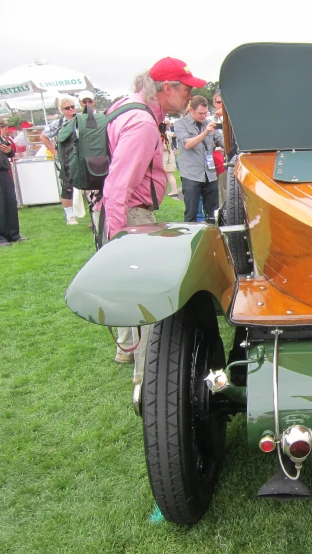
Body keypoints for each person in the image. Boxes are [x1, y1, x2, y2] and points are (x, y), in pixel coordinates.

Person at [101, 57, 205, 373]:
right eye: (187, 89)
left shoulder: (126, 106)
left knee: (127, 287)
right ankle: (146, 378)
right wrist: (118, 240)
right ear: (168, 87)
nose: (190, 96)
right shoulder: (144, 122)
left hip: (121, 211)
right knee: (147, 301)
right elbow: (118, 186)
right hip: (130, 214)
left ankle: (125, 350)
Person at [175, 95, 223, 223]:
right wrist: (205, 133)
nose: (203, 116)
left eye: (205, 113)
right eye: (200, 113)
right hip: (191, 175)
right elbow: (187, 144)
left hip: (210, 174)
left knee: (214, 213)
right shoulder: (180, 124)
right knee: (191, 213)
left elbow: (221, 140)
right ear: (191, 110)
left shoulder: (208, 123)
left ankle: (213, 239)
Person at [39, 95, 78, 225]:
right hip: (67, 158)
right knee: (68, 187)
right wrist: (54, 151)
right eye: (67, 108)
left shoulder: (81, 120)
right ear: (62, 110)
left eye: (72, 106)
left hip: (81, 157)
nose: (71, 109)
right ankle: (70, 216)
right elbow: (43, 136)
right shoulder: (58, 124)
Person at [0, 121, 24, 246]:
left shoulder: (2, 138)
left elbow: (11, 153)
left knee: (10, 201)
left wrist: (8, 150)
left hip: (4, 172)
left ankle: (14, 234)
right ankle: (1, 237)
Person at [162, 118, 179, 197]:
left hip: (166, 155)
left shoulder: (164, 134)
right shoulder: (168, 133)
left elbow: (165, 147)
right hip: (168, 154)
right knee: (167, 174)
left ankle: (174, 191)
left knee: (169, 174)